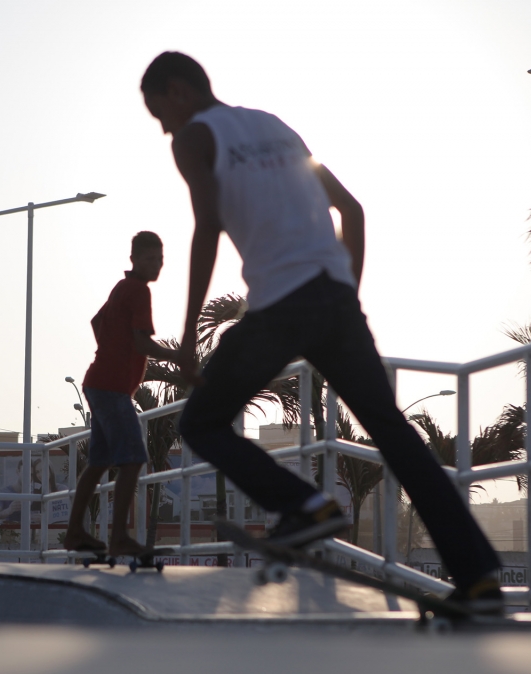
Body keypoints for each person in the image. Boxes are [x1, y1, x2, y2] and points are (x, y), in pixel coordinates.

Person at [140, 51, 503, 612]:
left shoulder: (192, 138)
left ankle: (304, 507)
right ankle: (478, 577)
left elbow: (207, 228)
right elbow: (352, 210)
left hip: (280, 303)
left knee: (202, 421)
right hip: (334, 297)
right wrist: (345, 295)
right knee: (394, 434)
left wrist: (188, 336)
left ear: (180, 91)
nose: (161, 126)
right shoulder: (275, 126)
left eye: (158, 110)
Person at [64, 231, 179, 557]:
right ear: (134, 260)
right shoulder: (138, 291)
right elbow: (142, 343)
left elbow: (96, 321)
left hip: (99, 383)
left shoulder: (122, 288)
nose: (155, 265)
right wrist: (178, 358)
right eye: (149, 259)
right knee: (134, 459)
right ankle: (119, 538)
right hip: (110, 388)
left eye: (159, 259)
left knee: (99, 461)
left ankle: (75, 533)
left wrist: (111, 350)